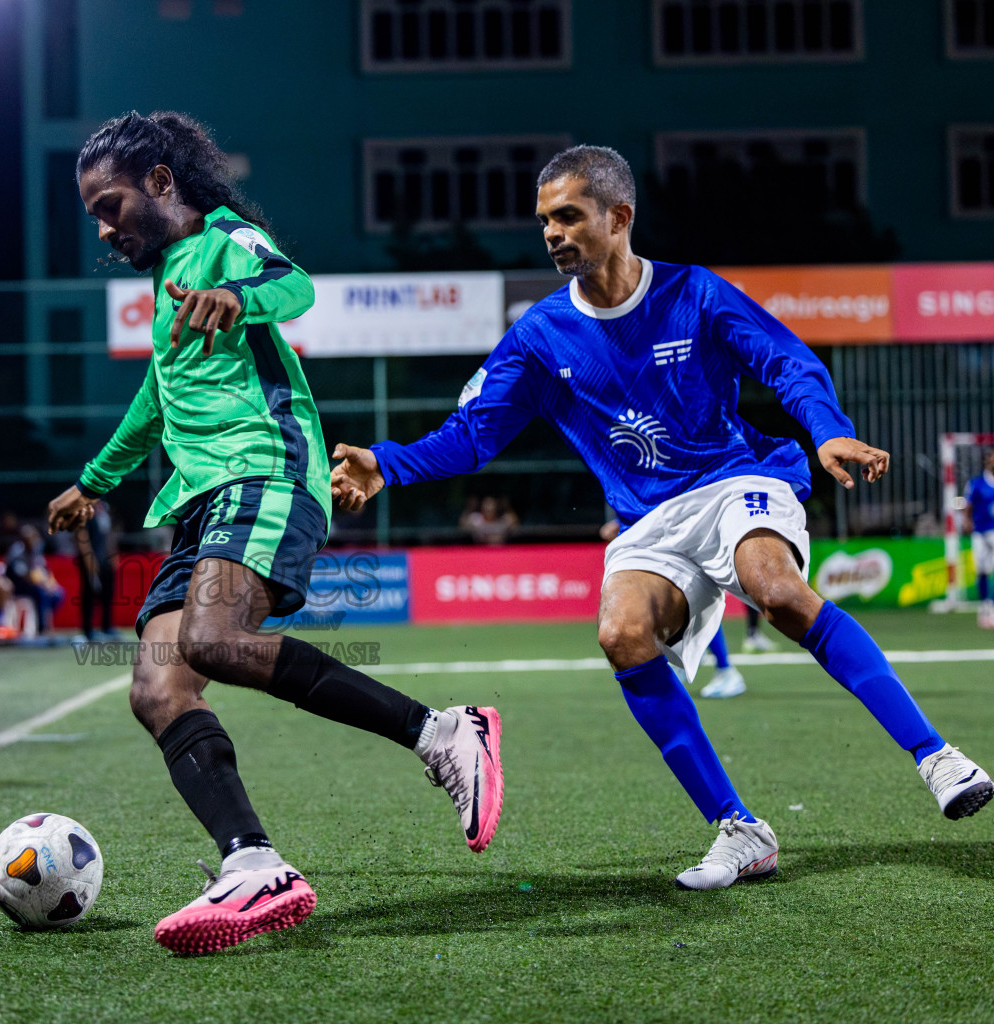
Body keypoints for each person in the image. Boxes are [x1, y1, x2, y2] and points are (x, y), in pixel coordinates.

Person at [332, 144, 990, 891]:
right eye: (545, 220)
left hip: (738, 477)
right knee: (620, 632)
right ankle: (741, 831)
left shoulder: (696, 294)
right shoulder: (541, 337)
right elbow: (473, 435)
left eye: (569, 216)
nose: (552, 233)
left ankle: (936, 756)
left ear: (620, 217)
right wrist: (388, 463)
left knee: (771, 587)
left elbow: (787, 361)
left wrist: (826, 426)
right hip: (649, 520)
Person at [45, 111, 502, 954]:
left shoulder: (223, 239)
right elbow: (157, 398)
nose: (104, 227)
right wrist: (94, 483)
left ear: (158, 180)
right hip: (199, 501)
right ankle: (252, 863)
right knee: (156, 687)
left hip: (264, 473)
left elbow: (295, 286)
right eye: (93, 215)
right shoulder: (166, 280)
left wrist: (237, 295)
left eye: (110, 204)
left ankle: (441, 731)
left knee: (214, 642)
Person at [602, 514, 744, 699]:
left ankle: (725, 670)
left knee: (694, 602)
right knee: (666, 601)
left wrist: (619, 523)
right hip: (666, 538)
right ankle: (684, 659)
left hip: (685, 535)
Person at [75, 499, 117, 641]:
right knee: (89, 595)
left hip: (105, 560)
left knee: (107, 595)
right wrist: (89, 561)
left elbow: (109, 535)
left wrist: (112, 556)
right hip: (91, 561)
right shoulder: (83, 510)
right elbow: (82, 537)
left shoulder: (103, 509)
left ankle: (107, 627)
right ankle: (88, 630)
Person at [965, 449, 994, 628]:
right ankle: (985, 606)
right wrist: (967, 521)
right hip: (980, 531)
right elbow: (968, 504)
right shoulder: (977, 483)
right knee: (982, 569)